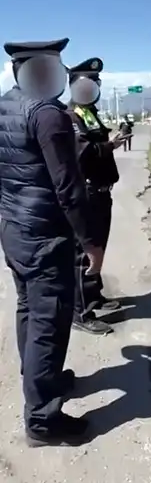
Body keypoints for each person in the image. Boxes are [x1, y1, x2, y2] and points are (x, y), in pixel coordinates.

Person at [0, 39, 103, 446]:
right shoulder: (49, 115)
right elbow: (69, 188)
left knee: (29, 308)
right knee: (49, 321)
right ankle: (42, 420)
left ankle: (40, 378)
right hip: (44, 236)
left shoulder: (6, 105)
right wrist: (91, 242)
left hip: (15, 230)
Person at [66, 57, 126, 336]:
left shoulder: (89, 112)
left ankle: (94, 295)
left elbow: (96, 142)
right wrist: (110, 144)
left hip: (102, 192)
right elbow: (83, 152)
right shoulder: (72, 116)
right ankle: (81, 311)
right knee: (85, 253)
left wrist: (114, 138)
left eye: (97, 82)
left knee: (98, 248)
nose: (97, 86)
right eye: (91, 82)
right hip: (88, 192)